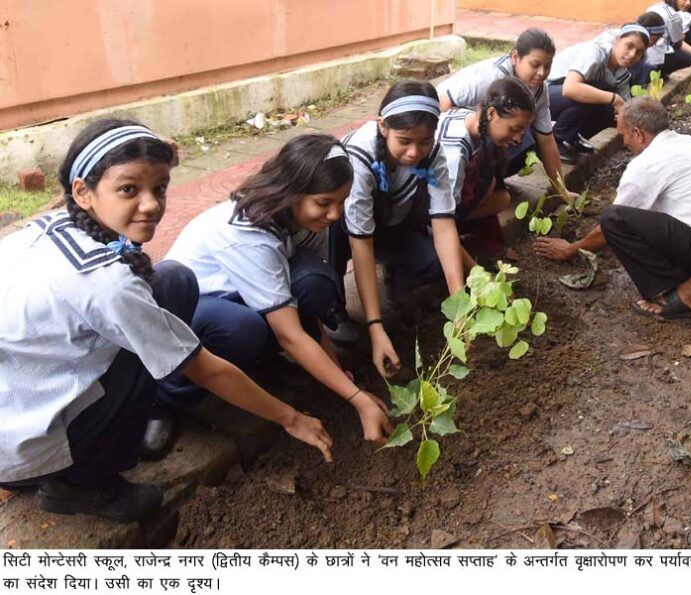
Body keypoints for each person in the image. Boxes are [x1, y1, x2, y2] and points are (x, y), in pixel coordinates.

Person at [0, 119, 334, 523]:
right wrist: (291, 418)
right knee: (155, 351)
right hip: (25, 447)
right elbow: (206, 369)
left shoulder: (44, 228)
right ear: (83, 192)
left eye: (159, 188)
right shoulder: (106, 284)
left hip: (19, 404)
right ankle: (83, 483)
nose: (151, 205)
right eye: (128, 189)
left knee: (173, 279)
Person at [155, 134, 392, 458]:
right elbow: (291, 334)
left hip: (244, 296)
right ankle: (167, 397)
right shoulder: (249, 231)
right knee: (241, 330)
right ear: (292, 192)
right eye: (324, 202)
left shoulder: (306, 220)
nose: (335, 214)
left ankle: (260, 363)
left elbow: (307, 315)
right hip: (195, 308)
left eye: (342, 201)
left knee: (315, 282)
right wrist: (357, 399)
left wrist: (343, 383)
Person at [534, 97, 691, 319]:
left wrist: (570, 249)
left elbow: (612, 226)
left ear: (638, 133)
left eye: (624, 134)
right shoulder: (686, 143)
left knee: (613, 219)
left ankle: (689, 292)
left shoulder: (647, 165)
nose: (624, 142)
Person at [332, 80, 465, 379]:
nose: (414, 152)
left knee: (431, 262)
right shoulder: (358, 157)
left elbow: (444, 225)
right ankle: (334, 308)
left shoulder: (434, 153)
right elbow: (360, 243)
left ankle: (397, 287)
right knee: (332, 238)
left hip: (391, 223)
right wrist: (375, 326)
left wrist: (460, 302)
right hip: (346, 231)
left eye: (424, 141)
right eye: (404, 141)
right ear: (383, 127)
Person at [437, 28, 572, 184]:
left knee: (527, 142)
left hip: (486, 135)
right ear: (515, 57)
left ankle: (487, 183)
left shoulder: (539, 90)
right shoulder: (491, 76)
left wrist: (561, 190)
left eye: (547, 66)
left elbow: (546, 139)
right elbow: (442, 102)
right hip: (460, 133)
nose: (541, 73)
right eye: (535, 65)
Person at [436, 77, 535, 264]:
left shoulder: (469, 119)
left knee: (501, 198)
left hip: (446, 203)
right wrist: (477, 274)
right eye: (514, 129)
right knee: (432, 261)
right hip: (428, 215)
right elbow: (440, 223)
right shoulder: (455, 154)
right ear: (491, 113)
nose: (518, 138)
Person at [546, 23, 652, 164]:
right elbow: (570, 88)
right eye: (629, 46)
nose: (632, 55)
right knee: (594, 96)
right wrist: (614, 99)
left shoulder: (622, 74)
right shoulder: (595, 52)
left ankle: (573, 136)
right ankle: (555, 141)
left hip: (566, 97)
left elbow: (624, 109)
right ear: (617, 40)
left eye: (639, 52)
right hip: (546, 94)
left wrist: (643, 135)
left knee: (609, 113)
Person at [635, 0, 691, 84]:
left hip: (642, 48)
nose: (688, 3)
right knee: (689, 58)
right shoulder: (673, 17)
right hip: (654, 54)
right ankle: (660, 72)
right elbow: (679, 43)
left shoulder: (655, 6)